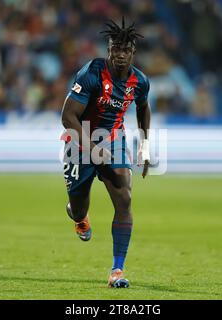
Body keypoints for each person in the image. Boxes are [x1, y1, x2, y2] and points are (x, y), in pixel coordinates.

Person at [60, 18, 151, 288]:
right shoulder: (91, 73)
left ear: (133, 52)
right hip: (79, 141)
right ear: (108, 49)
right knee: (78, 206)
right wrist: (92, 150)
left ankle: (117, 270)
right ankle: (78, 217)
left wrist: (144, 147)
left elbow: (143, 108)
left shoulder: (140, 81)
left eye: (125, 50)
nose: (120, 54)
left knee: (124, 195)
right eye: (115, 48)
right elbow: (68, 117)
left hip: (112, 139)